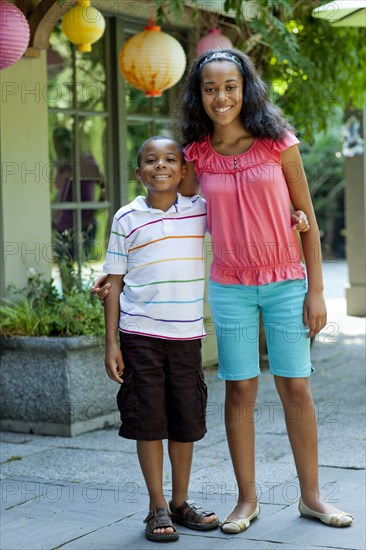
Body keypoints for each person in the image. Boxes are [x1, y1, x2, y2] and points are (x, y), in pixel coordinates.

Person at [174, 48, 352, 531]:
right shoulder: (195, 157)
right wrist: (121, 262)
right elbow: (173, 215)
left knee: (296, 385)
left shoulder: (278, 144)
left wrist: (317, 291)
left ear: (245, 88)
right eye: (210, 88)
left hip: (285, 282)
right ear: (199, 95)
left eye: (230, 86)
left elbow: (309, 223)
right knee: (240, 389)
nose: (221, 96)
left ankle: (312, 497)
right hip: (230, 285)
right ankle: (246, 501)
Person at [102, 135, 219, 542]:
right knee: (148, 422)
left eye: (171, 159)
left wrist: (293, 217)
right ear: (139, 172)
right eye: (151, 161)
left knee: (186, 421)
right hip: (140, 337)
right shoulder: (126, 218)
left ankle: (181, 502)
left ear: (184, 170)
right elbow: (113, 283)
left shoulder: (200, 211)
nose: (161, 166)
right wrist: (111, 343)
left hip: (187, 336)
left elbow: (242, 215)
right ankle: (157, 507)